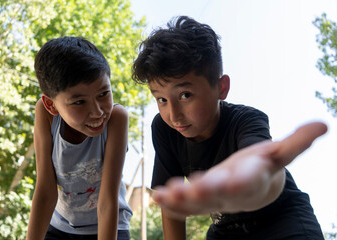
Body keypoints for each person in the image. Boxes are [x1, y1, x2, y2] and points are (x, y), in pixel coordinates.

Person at [132, 16, 327, 240]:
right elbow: (171, 206)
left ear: (221, 87)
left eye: (185, 95)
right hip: (226, 231)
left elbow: (261, 164)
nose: (173, 115)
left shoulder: (247, 119)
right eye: (161, 100)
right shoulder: (163, 128)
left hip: (283, 222)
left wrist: (253, 177)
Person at [27, 37, 132, 240]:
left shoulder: (117, 119)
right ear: (51, 105)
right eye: (79, 102)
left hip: (111, 226)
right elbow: (45, 191)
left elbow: (108, 201)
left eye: (103, 94)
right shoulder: (46, 115)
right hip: (60, 227)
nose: (97, 112)